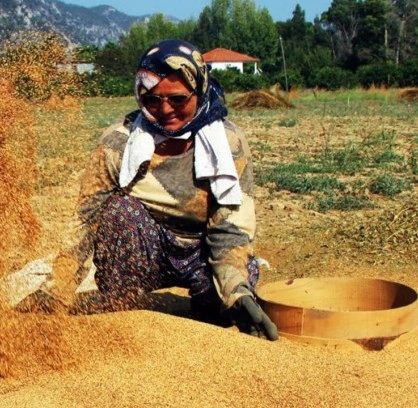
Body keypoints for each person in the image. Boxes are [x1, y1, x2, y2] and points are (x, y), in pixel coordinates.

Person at [75, 39, 278, 340]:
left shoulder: (228, 143)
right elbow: (84, 221)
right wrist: (57, 290)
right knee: (119, 212)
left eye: (178, 99)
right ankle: (123, 318)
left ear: (199, 90)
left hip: (203, 252)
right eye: (152, 100)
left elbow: (230, 231)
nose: (165, 109)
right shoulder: (119, 143)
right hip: (148, 249)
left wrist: (236, 292)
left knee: (224, 310)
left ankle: (215, 306)